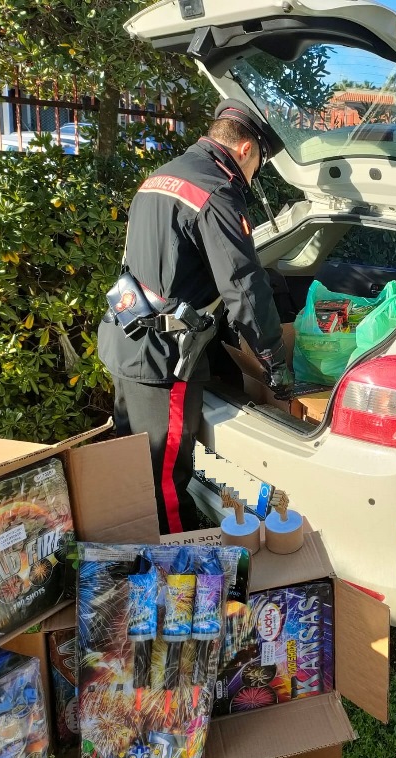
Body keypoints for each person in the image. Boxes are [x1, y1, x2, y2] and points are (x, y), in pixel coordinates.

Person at [98, 99, 293, 536]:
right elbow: (243, 286)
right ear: (244, 148)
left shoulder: (162, 176)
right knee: (163, 482)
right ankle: (176, 576)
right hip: (163, 359)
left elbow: (171, 265)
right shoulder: (217, 191)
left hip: (127, 336)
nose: (253, 176)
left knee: (137, 469)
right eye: (257, 164)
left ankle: (139, 554)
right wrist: (275, 362)